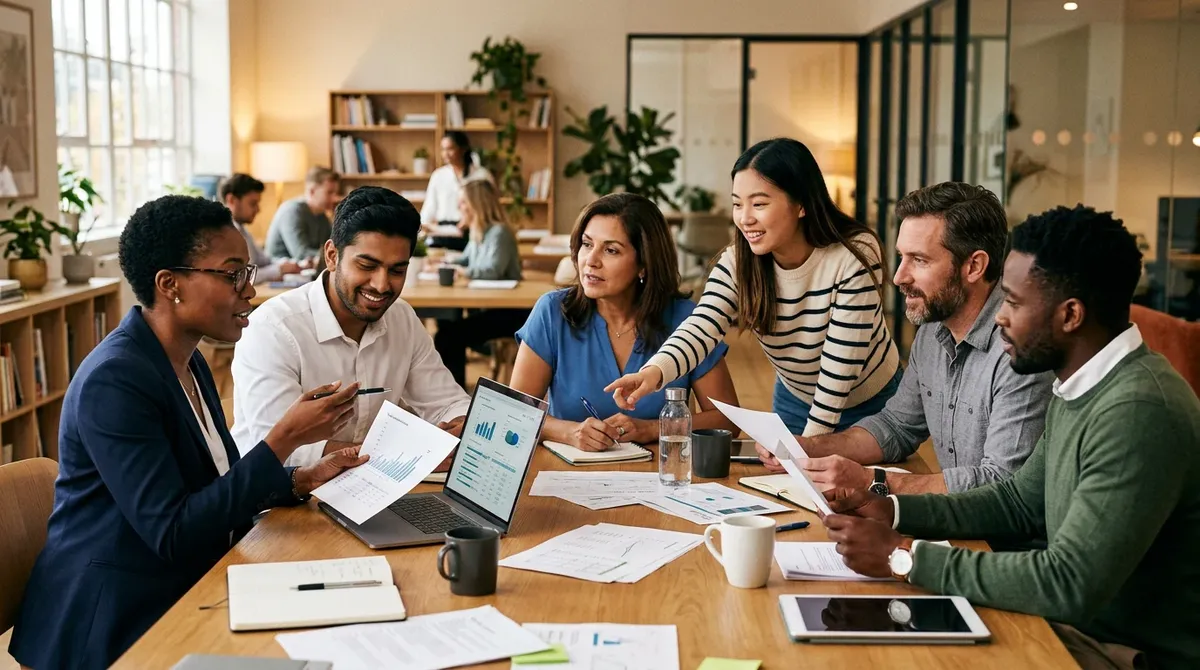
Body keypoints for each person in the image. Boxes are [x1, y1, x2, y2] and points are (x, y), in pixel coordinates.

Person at [823, 206, 1200, 670]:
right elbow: (1017, 503)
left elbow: (1068, 584)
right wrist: (892, 508)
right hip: (1068, 627)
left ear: (1071, 316)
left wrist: (905, 557)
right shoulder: (1079, 382)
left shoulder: (1139, 411)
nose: (998, 316)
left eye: (1014, 303)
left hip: (1121, 652)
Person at [7, 195, 368, 669]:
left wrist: (300, 478)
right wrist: (283, 440)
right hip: (115, 622)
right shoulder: (114, 381)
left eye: (249, 273)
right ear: (169, 284)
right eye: (233, 273)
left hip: (185, 584)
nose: (250, 291)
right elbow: (174, 531)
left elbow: (214, 484)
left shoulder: (188, 360)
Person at [757, 183, 1054, 495]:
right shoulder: (932, 330)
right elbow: (896, 426)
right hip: (960, 522)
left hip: (1003, 539)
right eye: (901, 256)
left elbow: (1002, 482)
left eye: (920, 260)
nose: (899, 276)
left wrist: (876, 483)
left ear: (974, 266)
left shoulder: (1020, 349)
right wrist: (806, 448)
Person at [606, 137, 901, 438]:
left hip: (872, 404)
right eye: (737, 204)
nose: (745, 219)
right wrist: (652, 373)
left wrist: (810, 446)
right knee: (790, 484)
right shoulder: (739, 260)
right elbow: (701, 326)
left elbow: (840, 364)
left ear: (800, 204)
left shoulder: (853, 255)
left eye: (759, 204)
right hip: (796, 400)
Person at [232, 186, 471, 467]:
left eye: (397, 270)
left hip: (372, 489)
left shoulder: (402, 318)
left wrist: (460, 426)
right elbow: (282, 449)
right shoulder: (273, 329)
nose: (382, 285)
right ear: (332, 256)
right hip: (280, 498)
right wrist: (405, 453)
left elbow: (448, 402)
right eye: (367, 265)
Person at [509, 193, 739, 451]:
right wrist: (569, 432)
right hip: (563, 473)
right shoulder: (552, 312)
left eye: (611, 250)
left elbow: (728, 420)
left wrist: (652, 428)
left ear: (644, 264)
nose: (591, 261)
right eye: (587, 244)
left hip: (662, 476)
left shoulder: (686, 319)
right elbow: (514, 411)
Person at [432, 179, 525, 387]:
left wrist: (459, 270)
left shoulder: (499, 233)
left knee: (448, 336)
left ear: (477, 204)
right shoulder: (479, 231)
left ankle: (453, 395)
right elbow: (466, 260)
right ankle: (452, 392)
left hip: (510, 312)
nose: (459, 207)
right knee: (447, 330)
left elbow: (491, 270)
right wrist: (444, 261)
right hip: (490, 309)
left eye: (463, 202)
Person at [219, 173, 304, 283]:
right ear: (231, 200)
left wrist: (288, 264)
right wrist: (278, 270)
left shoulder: (243, 231)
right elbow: (241, 277)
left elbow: (264, 260)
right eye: (253, 204)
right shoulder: (224, 236)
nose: (258, 210)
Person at [420, 131, 493, 251]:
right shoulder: (438, 175)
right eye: (443, 149)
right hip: (442, 233)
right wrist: (422, 227)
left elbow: (489, 209)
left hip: (472, 232)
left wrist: (472, 219)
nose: (445, 154)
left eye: (450, 149)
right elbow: (429, 207)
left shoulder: (482, 175)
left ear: (463, 149)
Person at [264, 166, 340, 262]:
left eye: (335, 193)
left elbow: (330, 246)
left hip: (304, 271)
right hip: (281, 271)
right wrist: (336, 255)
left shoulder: (322, 216)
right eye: (329, 193)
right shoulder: (292, 211)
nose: (335, 198)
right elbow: (300, 253)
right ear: (312, 191)